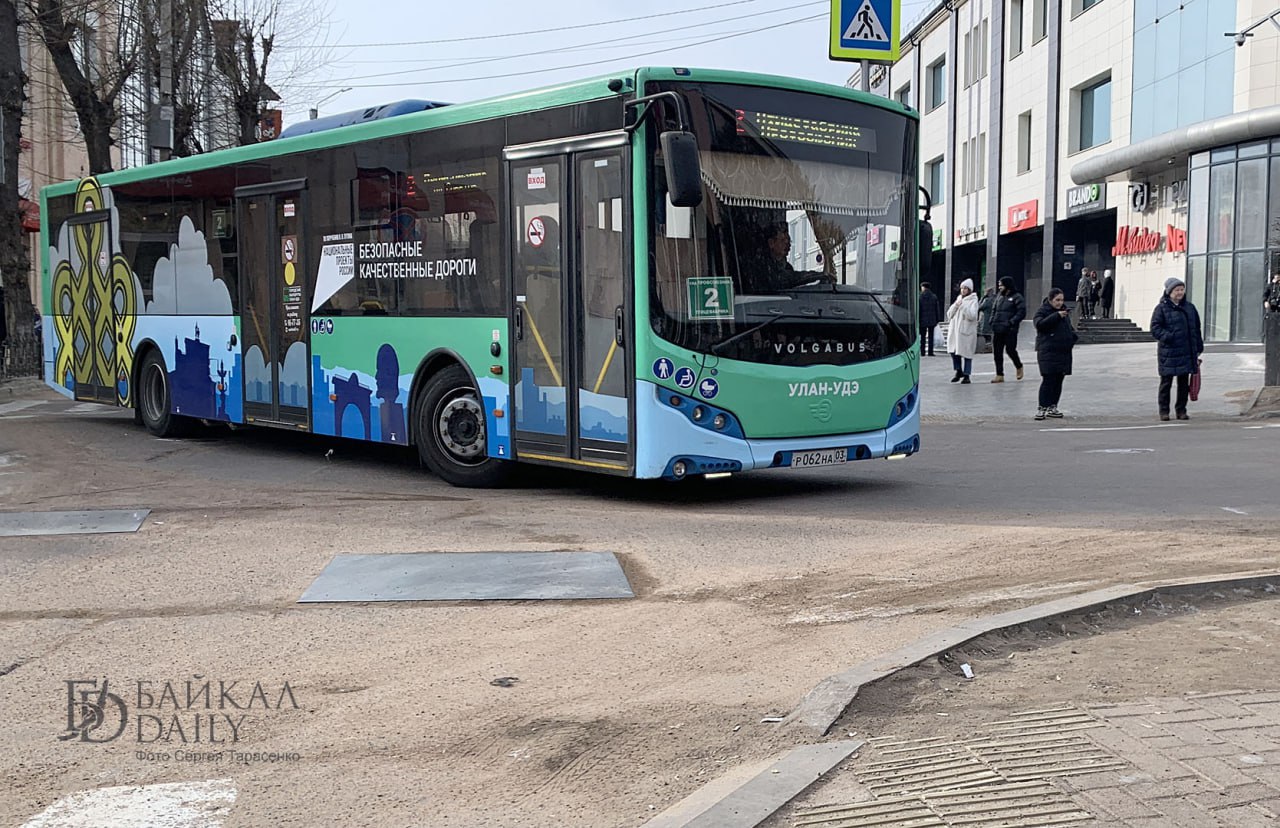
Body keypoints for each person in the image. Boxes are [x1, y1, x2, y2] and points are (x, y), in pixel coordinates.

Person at [1150, 276, 1204, 421]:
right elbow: (1155, 328)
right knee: (1166, 383)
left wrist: (1198, 346)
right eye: (1177, 290)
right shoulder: (1161, 308)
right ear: (1169, 292)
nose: (1180, 292)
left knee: (1183, 383)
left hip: (1186, 351)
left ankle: (1181, 410)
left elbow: (1196, 329)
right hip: (1169, 352)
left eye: (1182, 289)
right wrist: (1169, 336)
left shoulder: (1190, 308)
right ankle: (1164, 411)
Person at [1033, 288, 1077, 420]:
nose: (1060, 303)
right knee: (1048, 379)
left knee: (1059, 380)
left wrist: (1072, 338)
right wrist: (1056, 316)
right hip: (1048, 351)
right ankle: (1042, 407)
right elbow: (1040, 325)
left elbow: (1070, 329)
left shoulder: (1065, 313)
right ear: (1051, 299)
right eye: (1057, 300)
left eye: (1062, 300)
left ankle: (1053, 406)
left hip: (1063, 352)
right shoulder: (1043, 311)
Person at [750, 223, 830, 293]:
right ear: (771, 243)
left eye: (789, 241)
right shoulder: (761, 267)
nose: (788, 245)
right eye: (783, 241)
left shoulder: (787, 267)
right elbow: (787, 279)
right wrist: (816, 275)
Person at [989, 276, 1026, 383]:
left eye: (1001, 285)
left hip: (1010, 329)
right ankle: (999, 374)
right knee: (997, 352)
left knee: (1010, 350)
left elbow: (1021, 312)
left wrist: (1011, 322)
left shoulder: (1017, 297)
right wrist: (992, 321)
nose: (999, 287)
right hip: (997, 328)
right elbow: (994, 310)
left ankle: (1019, 366)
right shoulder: (999, 297)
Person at [945, 278, 980, 384]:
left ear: (969, 289)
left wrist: (963, 306)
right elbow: (949, 314)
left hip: (966, 332)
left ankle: (967, 375)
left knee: (967, 354)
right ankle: (958, 370)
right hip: (955, 331)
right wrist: (956, 305)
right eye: (962, 288)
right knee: (953, 351)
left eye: (965, 288)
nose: (963, 290)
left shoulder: (973, 300)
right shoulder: (959, 299)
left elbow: (972, 315)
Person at [918, 282, 943, 356]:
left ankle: (922, 352)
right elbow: (937, 309)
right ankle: (930, 352)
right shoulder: (934, 297)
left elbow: (919, 309)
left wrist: (918, 319)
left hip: (922, 320)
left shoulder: (920, 297)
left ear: (923, 287)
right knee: (931, 336)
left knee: (923, 337)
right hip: (932, 320)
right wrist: (937, 319)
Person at [977, 287, 996, 352]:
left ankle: (988, 348)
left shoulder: (987, 300)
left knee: (985, 335)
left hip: (985, 320)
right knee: (988, 335)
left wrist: (982, 298)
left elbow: (979, 307)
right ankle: (988, 347)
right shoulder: (995, 299)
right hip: (992, 319)